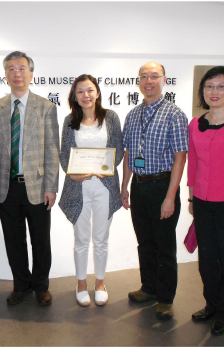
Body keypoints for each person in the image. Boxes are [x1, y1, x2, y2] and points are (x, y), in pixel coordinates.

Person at [0, 51, 60, 306]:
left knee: (41, 239)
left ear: (31, 73)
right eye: (11, 69)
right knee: (13, 240)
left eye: (21, 69)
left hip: (38, 187)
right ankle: (21, 284)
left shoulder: (46, 107)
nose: (16, 74)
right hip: (6, 187)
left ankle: (41, 285)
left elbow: (52, 149)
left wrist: (51, 186)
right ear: (5, 75)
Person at [121, 62, 188, 320]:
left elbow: (180, 158)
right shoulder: (133, 114)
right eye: (144, 76)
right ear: (139, 81)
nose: (149, 81)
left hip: (162, 186)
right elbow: (128, 153)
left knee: (164, 245)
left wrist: (170, 197)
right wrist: (125, 186)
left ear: (164, 80)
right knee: (145, 242)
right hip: (139, 186)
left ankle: (165, 298)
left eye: (154, 76)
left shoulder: (174, 114)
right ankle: (148, 288)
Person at [58, 74, 124, 307]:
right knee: (81, 239)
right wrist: (72, 173)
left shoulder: (111, 118)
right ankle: (81, 284)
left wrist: (107, 166)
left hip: (105, 186)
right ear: (74, 96)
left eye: (89, 90)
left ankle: (100, 283)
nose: (85, 96)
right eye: (80, 92)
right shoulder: (69, 121)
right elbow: (65, 154)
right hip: (79, 187)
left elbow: (119, 149)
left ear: (97, 92)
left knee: (101, 239)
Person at [188, 66, 224, 336]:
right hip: (202, 201)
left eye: (221, 86)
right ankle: (211, 304)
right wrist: (190, 196)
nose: (215, 91)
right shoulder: (196, 123)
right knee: (207, 259)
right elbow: (194, 162)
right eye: (209, 86)